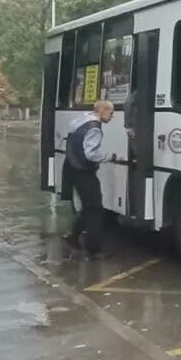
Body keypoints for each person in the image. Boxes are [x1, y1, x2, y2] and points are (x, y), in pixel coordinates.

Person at [60, 100, 115, 259]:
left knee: (88, 206)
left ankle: (73, 236)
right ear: (103, 110)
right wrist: (110, 157)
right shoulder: (95, 129)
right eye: (110, 113)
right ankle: (94, 250)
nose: (112, 117)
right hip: (83, 171)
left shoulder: (81, 118)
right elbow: (90, 154)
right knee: (95, 209)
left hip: (70, 166)